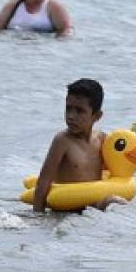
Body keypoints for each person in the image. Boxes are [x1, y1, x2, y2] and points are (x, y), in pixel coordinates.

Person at [32, 79, 124, 212]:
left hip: (92, 211)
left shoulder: (102, 139)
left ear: (97, 116)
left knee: (119, 202)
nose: (71, 116)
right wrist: (38, 217)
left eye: (79, 111)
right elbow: (43, 182)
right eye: (68, 109)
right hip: (66, 212)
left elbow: (112, 173)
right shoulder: (62, 141)